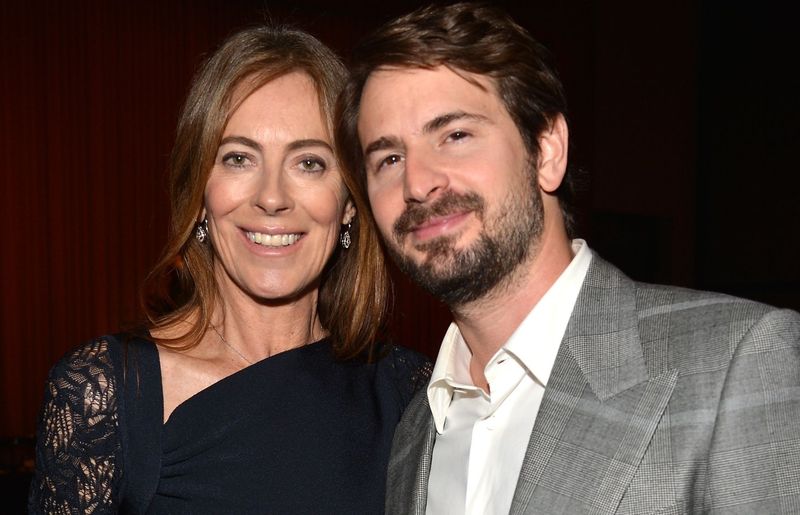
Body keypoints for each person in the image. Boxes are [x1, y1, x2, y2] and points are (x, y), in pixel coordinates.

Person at [335, 3, 800, 514]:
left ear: (547, 150)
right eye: (389, 158)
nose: (418, 182)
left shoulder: (737, 363)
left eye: (456, 135)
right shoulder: (412, 433)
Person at [29, 25, 430, 514]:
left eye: (309, 163)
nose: (272, 197)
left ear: (348, 201)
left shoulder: (413, 394)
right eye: (239, 158)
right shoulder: (103, 395)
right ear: (200, 192)